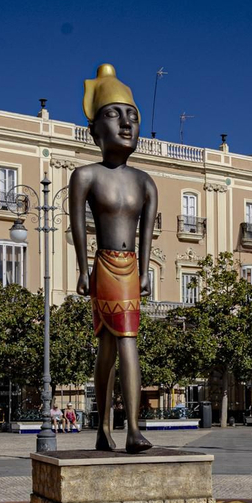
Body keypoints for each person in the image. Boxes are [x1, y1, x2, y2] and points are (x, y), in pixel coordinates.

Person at [70, 64, 155, 454]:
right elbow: (76, 226)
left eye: (133, 116)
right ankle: (132, 430)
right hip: (104, 266)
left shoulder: (145, 182)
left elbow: (146, 235)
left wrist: (147, 272)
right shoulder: (85, 176)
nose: (126, 124)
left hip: (131, 269)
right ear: (94, 130)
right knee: (125, 341)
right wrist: (82, 268)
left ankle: (106, 429)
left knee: (109, 345)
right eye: (113, 114)